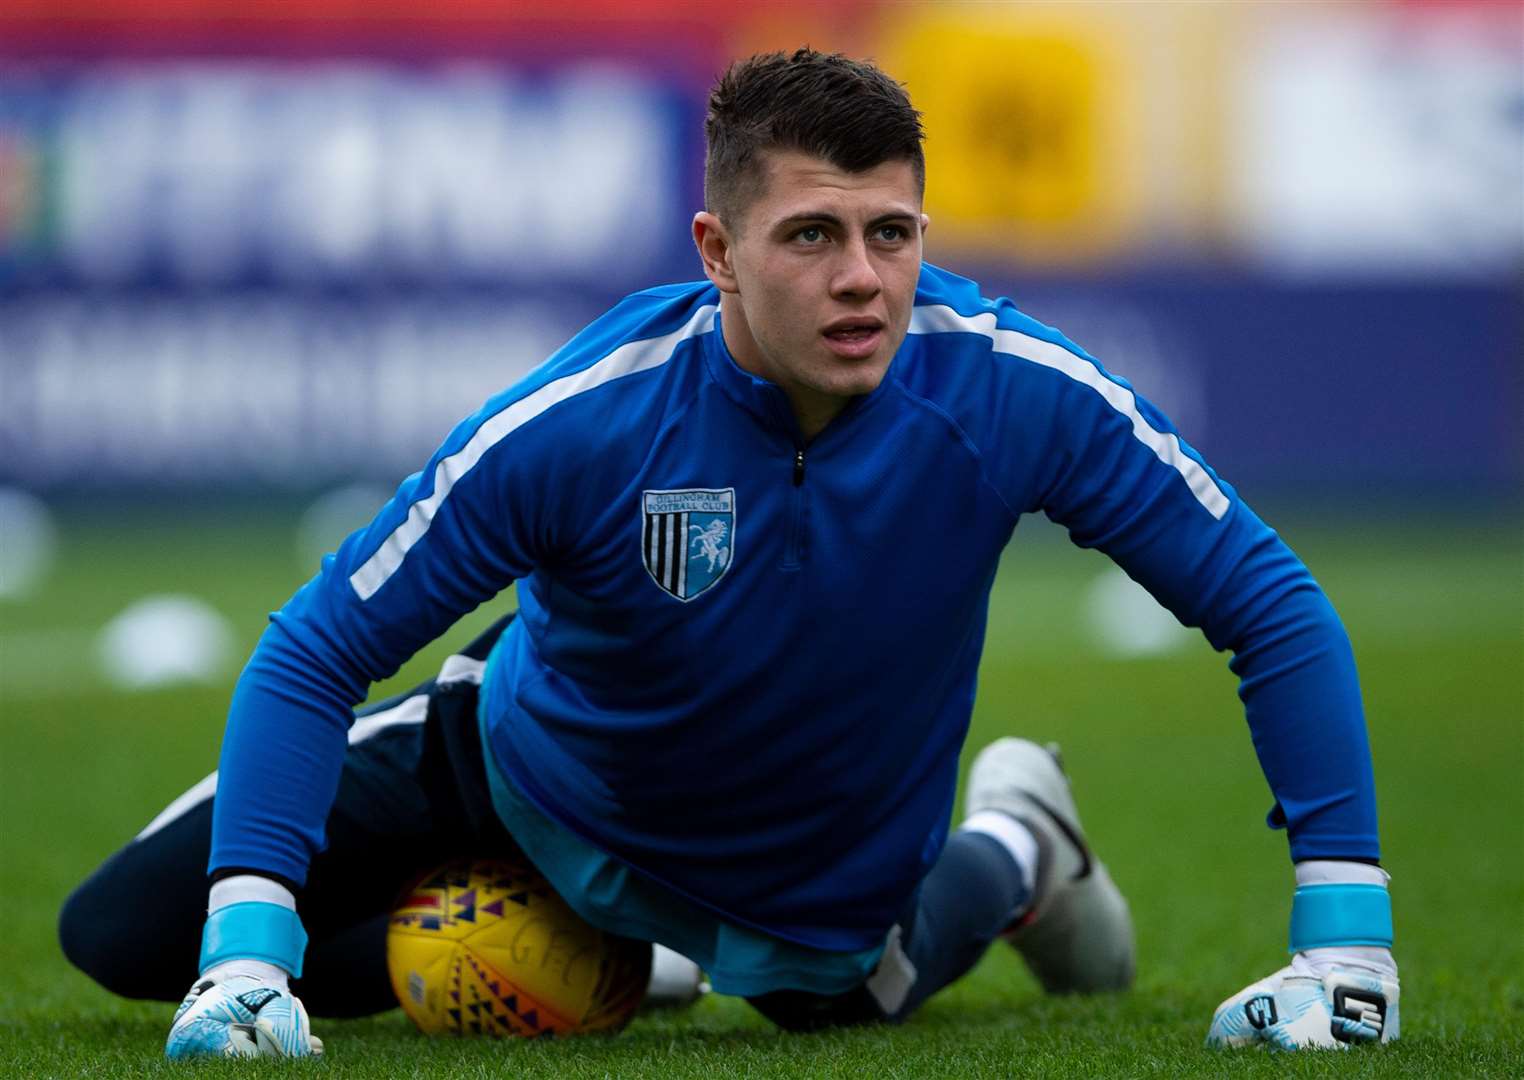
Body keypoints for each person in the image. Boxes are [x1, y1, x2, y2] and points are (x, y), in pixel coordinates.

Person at [60, 49, 1399, 1057]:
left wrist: (1348, 946)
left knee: (847, 1002)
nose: (864, 279)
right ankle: (623, 965)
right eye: (811, 236)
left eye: (894, 235)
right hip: (527, 774)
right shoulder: (582, 422)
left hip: (810, 886)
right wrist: (250, 955)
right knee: (119, 937)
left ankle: (1017, 839)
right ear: (717, 251)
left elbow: (1269, 605)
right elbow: (315, 648)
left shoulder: (1012, 393)